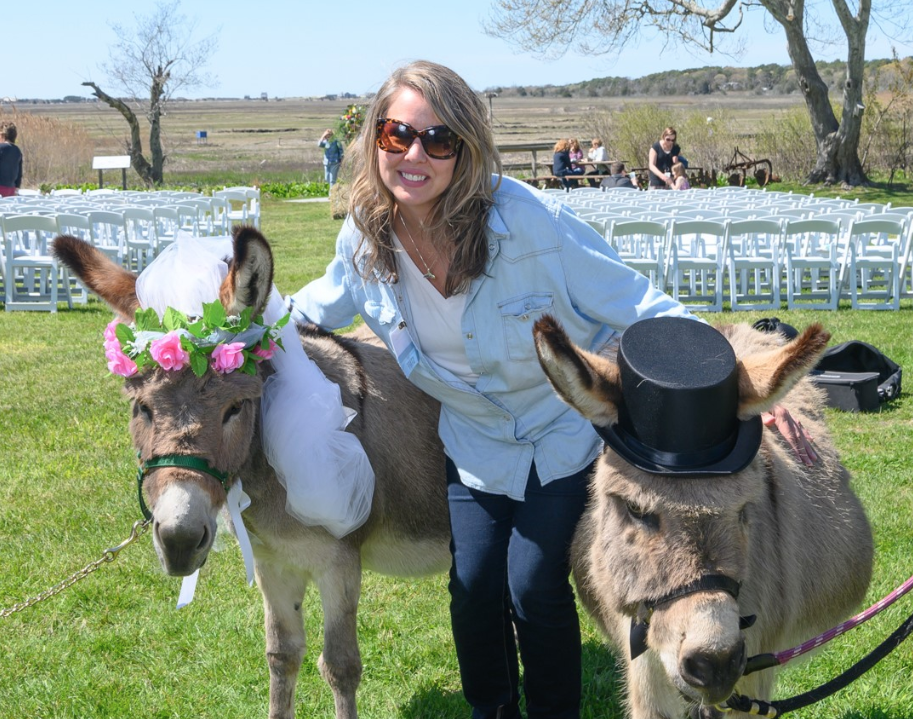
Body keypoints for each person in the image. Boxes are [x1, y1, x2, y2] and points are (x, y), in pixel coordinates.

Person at [288, 60, 816, 719]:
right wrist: (217, 324)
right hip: (474, 442)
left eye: (438, 139)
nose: (415, 154)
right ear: (374, 140)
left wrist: (721, 380)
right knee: (473, 585)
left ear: (467, 148)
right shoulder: (363, 242)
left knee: (534, 584)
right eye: (398, 136)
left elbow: (637, 301)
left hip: (559, 434)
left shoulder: (526, 223)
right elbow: (305, 308)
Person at [647, 126, 681, 190]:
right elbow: (651, 165)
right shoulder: (656, 147)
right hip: (656, 181)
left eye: (673, 140)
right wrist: (662, 176)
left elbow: (679, 166)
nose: (670, 142)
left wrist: (676, 162)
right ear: (663, 136)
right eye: (668, 139)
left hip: (671, 182)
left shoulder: (676, 148)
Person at [0, 122, 23, 197]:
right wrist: (17, 188)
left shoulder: (1, 148)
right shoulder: (18, 151)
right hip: (11, 190)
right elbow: (19, 174)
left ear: (2, 135)